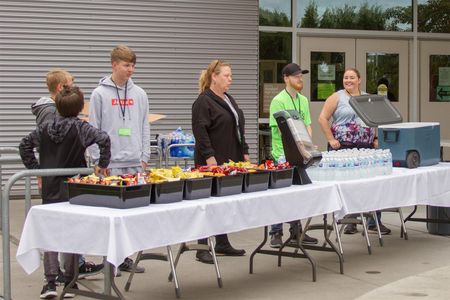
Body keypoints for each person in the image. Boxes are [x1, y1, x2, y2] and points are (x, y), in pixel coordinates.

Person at [19, 85, 111, 299]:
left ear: (57, 105)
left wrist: (37, 171)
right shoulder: (81, 127)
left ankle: (50, 282)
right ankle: (71, 280)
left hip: (50, 187)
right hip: (74, 187)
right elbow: (105, 139)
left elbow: (24, 145)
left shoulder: (45, 128)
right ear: (80, 108)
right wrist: (101, 165)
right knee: (73, 233)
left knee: (50, 233)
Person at [88, 44, 150, 274]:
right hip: (110, 163)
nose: (131, 69)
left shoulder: (140, 94)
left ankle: (124, 257)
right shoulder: (99, 94)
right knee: (109, 216)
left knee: (130, 216)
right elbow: (94, 127)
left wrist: (145, 156)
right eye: (126, 65)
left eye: (133, 65)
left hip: (134, 162)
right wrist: (98, 159)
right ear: (114, 65)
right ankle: (108, 258)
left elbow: (144, 125)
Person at [317, 68, 391, 235]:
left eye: (351, 77)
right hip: (343, 148)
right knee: (349, 186)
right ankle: (350, 221)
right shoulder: (337, 97)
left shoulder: (367, 98)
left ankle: (374, 221)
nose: (348, 80)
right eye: (345, 78)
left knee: (372, 183)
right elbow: (322, 118)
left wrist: (376, 138)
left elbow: (375, 121)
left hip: (366, 147)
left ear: (359, 80)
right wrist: (330, 139)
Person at [192, 59, 249, 264]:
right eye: (227, 75)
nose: (230, 80)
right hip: (212, 160)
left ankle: (222, 242)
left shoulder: (228, 99)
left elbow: (238, 127)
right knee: (208, 203)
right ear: (214, 77)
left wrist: (244, 151)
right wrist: (210, 157)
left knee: (223, 201)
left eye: (231, 76)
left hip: (229, 156)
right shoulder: (203, 101)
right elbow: (200, 130)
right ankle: (202, 246)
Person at [268, 63, 319, 248]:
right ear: (286, 78)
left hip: (300, 153)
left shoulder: (303, 100)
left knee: (298, 194)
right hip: (282, 154)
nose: (300, 79)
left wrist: (308, 146)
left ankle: (297, 231)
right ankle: (275, 232)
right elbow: (282, 131)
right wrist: (300, 147)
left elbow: (308, 125)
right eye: (296, 76)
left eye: (301, 76)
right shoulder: (278, 100)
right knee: (280, 194)